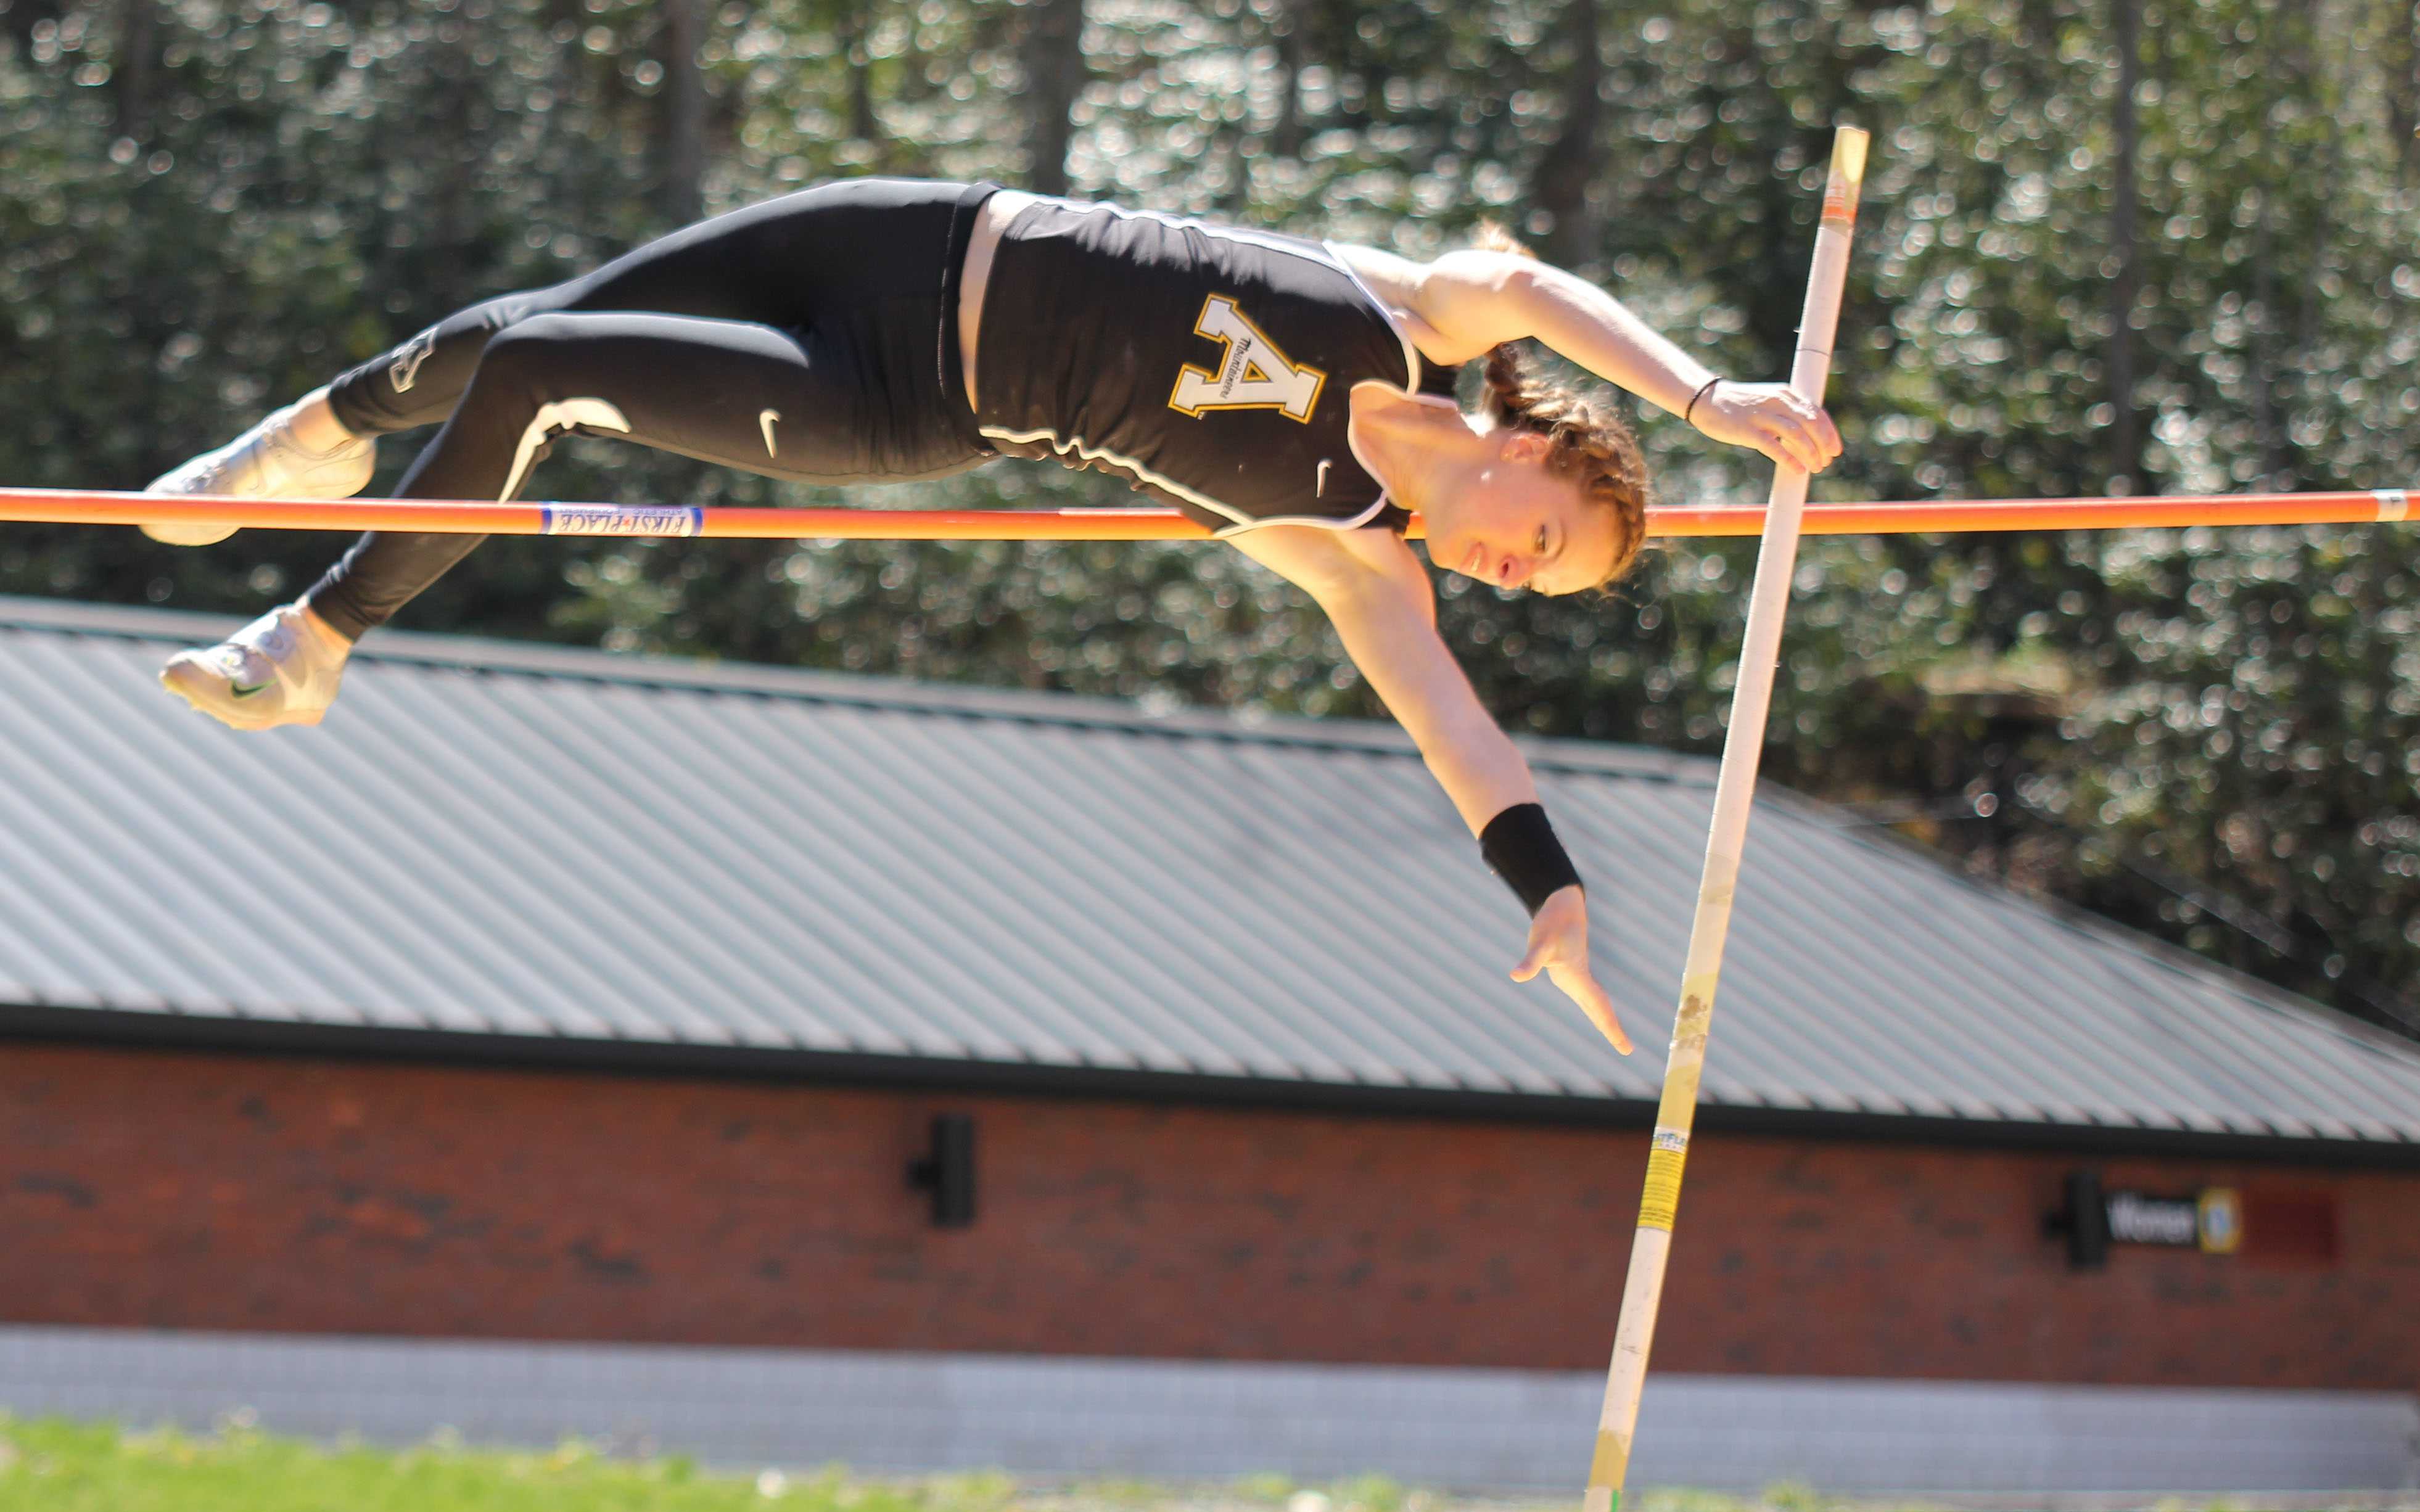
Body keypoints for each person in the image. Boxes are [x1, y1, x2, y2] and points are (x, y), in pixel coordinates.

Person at [142, 178, 1842, 1051]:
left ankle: (311, 647)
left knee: (538, 371)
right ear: (1541, 448)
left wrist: (1545, 889)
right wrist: (1707, 400)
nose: (1516, 578)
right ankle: (310, 435)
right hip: (910, 232)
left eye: (1543, 588)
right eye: (1550, 546)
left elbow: (1447, 723)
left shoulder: (1354, 547)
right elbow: (1541, 284)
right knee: (520, 325)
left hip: (890, 396)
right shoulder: (1427, 322)